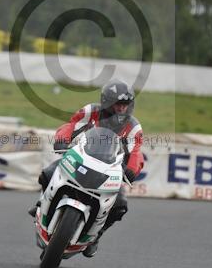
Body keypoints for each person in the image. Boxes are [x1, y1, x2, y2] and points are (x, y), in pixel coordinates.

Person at [29, 79, 144, 258]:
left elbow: (135, 151)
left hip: (109, 168)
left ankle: (97, 235)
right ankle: (41, 203)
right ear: (107, 102)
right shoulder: (91, 111)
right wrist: (62, 139)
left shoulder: (133, 126)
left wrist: (131, 169)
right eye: (118, 104)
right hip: (82, 157)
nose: (122, 108)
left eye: (125, 104)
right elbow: (71, 126)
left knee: (120, 204)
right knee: (48, 173)